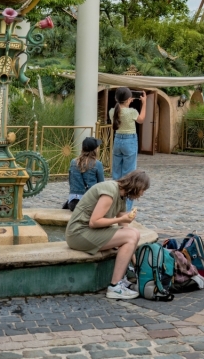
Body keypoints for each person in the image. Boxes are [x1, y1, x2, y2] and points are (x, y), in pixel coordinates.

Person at [65, 170, 150, 300]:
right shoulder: (110, 191)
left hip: (90, 232)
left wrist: (135, 262)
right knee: (132, 234)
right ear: (136, 186)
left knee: (133, 233)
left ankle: (121, 279)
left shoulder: (122, 196)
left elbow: (126, 229)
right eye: (143, 190)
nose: (142, 194)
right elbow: (94, 222)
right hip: (78, 233)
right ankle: (114, 287)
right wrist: (121, 219)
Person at [109, 87, 148, 182]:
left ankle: (116, 194)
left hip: (117, 140)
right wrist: (144, 103)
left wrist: (127, 100)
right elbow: (141, 120)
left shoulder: (112, 111)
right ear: (128, 99)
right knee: (129, 172)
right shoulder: (132, 112)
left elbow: (120, 109)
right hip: (129, 141)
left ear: (116, 99)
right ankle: (127, 196)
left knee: (116, 171)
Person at [64, 136, 104, 211]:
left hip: (73, 203)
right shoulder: (97, 164)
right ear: (95, 149)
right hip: (88, 202)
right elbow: (101, 185)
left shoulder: (73, 162)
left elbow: (71, 181)